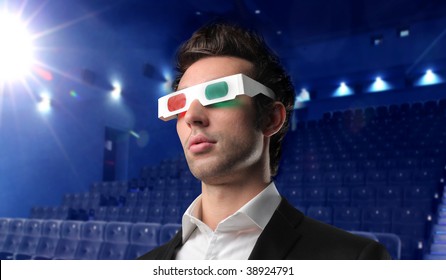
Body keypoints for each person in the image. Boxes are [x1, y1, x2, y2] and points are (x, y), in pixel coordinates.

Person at [138, 22, 390, 260]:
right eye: (180, 105)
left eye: (218, 95)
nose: (192, 117)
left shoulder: (354, 261)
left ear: (271, 118)